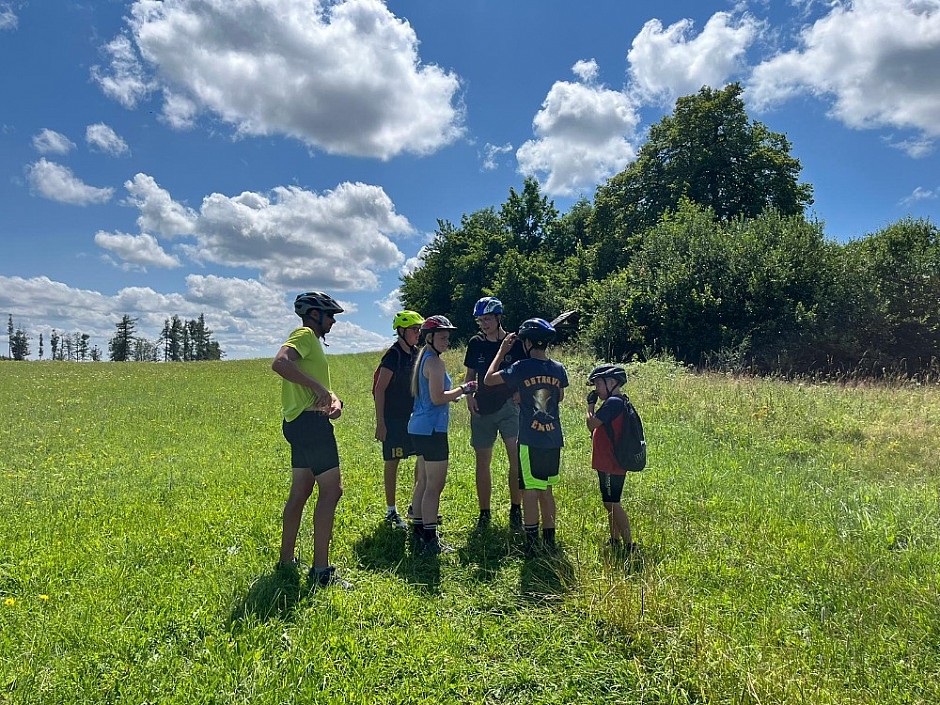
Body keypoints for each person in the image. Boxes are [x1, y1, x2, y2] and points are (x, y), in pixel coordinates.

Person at [271, 291, 351, 589]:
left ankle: (286, 559)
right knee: (332, 491)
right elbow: (280, 363)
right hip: (310, 425)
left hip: (299, 423)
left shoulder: (312, 343)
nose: (333, 321)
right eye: (329, 315)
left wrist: (334, 399)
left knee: (302, 490)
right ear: (314, 314)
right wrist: (319, 388)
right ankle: (321, 570)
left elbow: (320, 390)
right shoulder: (304, 334)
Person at [484, 318, 568, 555]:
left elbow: (489, 379)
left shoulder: (521, 367)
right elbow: (558, 396)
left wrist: (502, 351)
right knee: (547, 490)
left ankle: (531, 543)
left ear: (529, 342)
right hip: (553, 438)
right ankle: (549, 542)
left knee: (530, 490)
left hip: (531, 439)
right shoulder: (558, 368)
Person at [408, 315, 477, 555]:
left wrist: (453, 394)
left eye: (448, 337)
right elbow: (438, 398)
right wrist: (464, 389)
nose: (447, 341)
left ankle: (417, 529)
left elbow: (435, 395)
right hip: (432, 429)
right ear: (430, 338)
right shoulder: (435, 363)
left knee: (424, 482)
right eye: (443, 337)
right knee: (434, 485)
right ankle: (430, 538)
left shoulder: (424, 358)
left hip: (419, 427)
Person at [462, 297, 527, 529]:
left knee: (515, 457)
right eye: (480, 320)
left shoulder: (514, 342)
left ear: (498, 317)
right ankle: (484, 512)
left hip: (510, 407)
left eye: (488, 319)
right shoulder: (475, 343)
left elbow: (525, 372)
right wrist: (469, 396)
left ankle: (516, 508)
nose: (484, 324)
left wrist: (520, 392)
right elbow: (470, 375)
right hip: (482, 407)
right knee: (483, 461)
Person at [373, 310, 425, 530]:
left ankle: (416, 505)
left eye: (419, 329)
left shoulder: (416, 353)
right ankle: (391, 510)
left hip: (413, 418)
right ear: (402, 331)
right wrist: (381, 422)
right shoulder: (392, 356)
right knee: (392, 462)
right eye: (415, 329)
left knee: (421, 459)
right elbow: (379, 390)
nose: (418, 333)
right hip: (394, 419)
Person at [585, 364, 635, 552]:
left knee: (611, 503)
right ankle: (614, 540)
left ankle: (629, 544)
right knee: (612, 500)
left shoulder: (613, 402)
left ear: (612, 382)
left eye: (598, 384)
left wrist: (590, 406)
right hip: (611, 460)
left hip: (610, 462)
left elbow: (591, 424)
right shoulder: (618, 401)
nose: (596, 389)